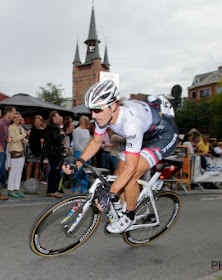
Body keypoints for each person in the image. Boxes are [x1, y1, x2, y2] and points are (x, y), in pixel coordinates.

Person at [63, 80, 179, 233]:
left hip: (163, 136)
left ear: (112, 106)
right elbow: (96, 142)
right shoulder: (103, 116)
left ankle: (129, 215)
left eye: (97, 110)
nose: (93, 115)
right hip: (144, 134)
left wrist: (111, 193)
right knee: (118, 173)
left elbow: (131, 168)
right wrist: (77, 164)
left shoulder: (131, 122)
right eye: (91, 110)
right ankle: (127, 203)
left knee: (130, 175)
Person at [0, 106, 15, 200]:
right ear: (9, 113)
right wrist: (0, 149)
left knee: (0, 171)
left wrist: (9, 139)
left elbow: (2, 138)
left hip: (2, 148)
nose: (14, 115)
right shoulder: (0, 123)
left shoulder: (6, 124)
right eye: (14, 113)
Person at [7, 112, 28, 198]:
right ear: (13, 118)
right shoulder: (11, 128)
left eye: (19, 117)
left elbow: (23, 138)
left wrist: (25, 140)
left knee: (19, 171)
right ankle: (10, 189)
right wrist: (24, 135)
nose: (18, 119)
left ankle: (16, 188)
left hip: (21, 150)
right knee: (14, 171)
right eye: (16, 118)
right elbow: (12, 139)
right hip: (14, 150)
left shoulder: (20, 127)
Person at [44, 111, 65, 198]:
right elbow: (56, 139)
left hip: (55, 152)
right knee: (54, 171)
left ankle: (54, 189)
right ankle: (52, 190)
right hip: (54, 153)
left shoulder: (54, 128)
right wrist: (62, 135)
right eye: (58, 116)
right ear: (53, 118)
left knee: (55, 171)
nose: (59, 118)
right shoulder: (52, 128)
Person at [72, 115, 91, 194]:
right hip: (79, 152)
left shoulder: (87, 131)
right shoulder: (76, 131)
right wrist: (84, 152)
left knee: (86, 172)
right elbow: (76, 143)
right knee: (78, 171)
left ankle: (84, 188)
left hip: (88, 152)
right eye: (86, 120)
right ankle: (75, 188)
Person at [26, 115, 45, 181]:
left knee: (37, 165)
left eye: (38, 121)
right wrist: (28, 135)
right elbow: (28, 139)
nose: (37, 122)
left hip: (39, 148)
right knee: (30, 163)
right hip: (31, 147)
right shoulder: (31, 129)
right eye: (36, 121)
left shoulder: (43, 131)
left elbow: (45, 139)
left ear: (41, 122)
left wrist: (43, 141)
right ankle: (27, 179)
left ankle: (35, 180)